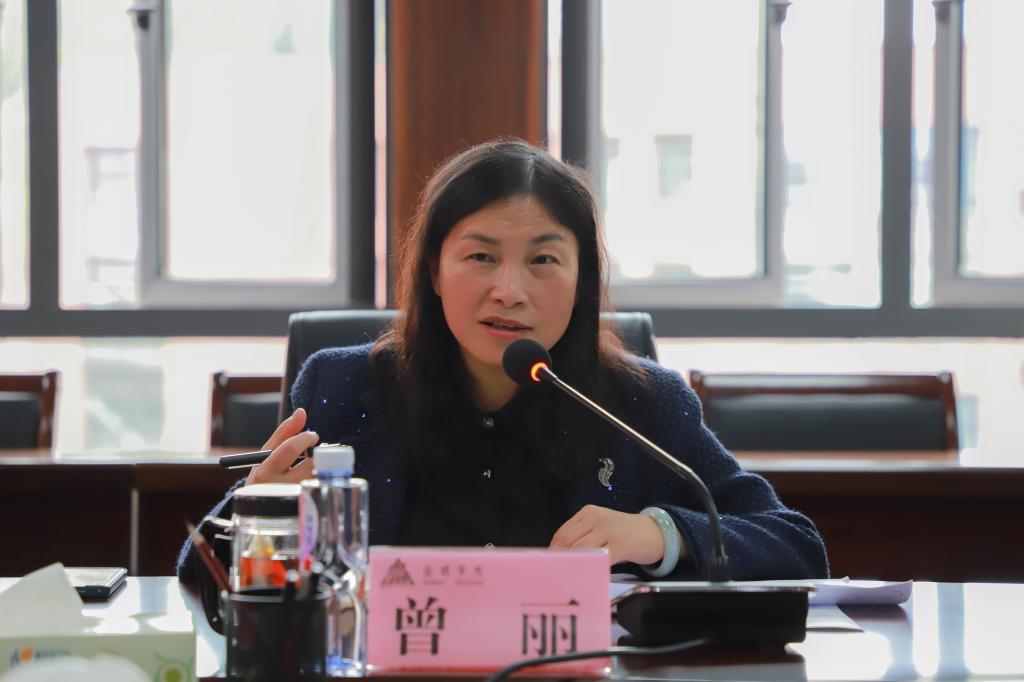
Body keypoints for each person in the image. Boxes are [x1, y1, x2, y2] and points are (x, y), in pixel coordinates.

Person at [178, 139, 828, 584]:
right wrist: (256, 516)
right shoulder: (344, 387)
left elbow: (796, 545)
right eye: (481, 256)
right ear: (434, 271)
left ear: (582, 280)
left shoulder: (641, 402)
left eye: (543, 259)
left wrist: (660, 534)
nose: (509, 290)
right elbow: (197, 574)